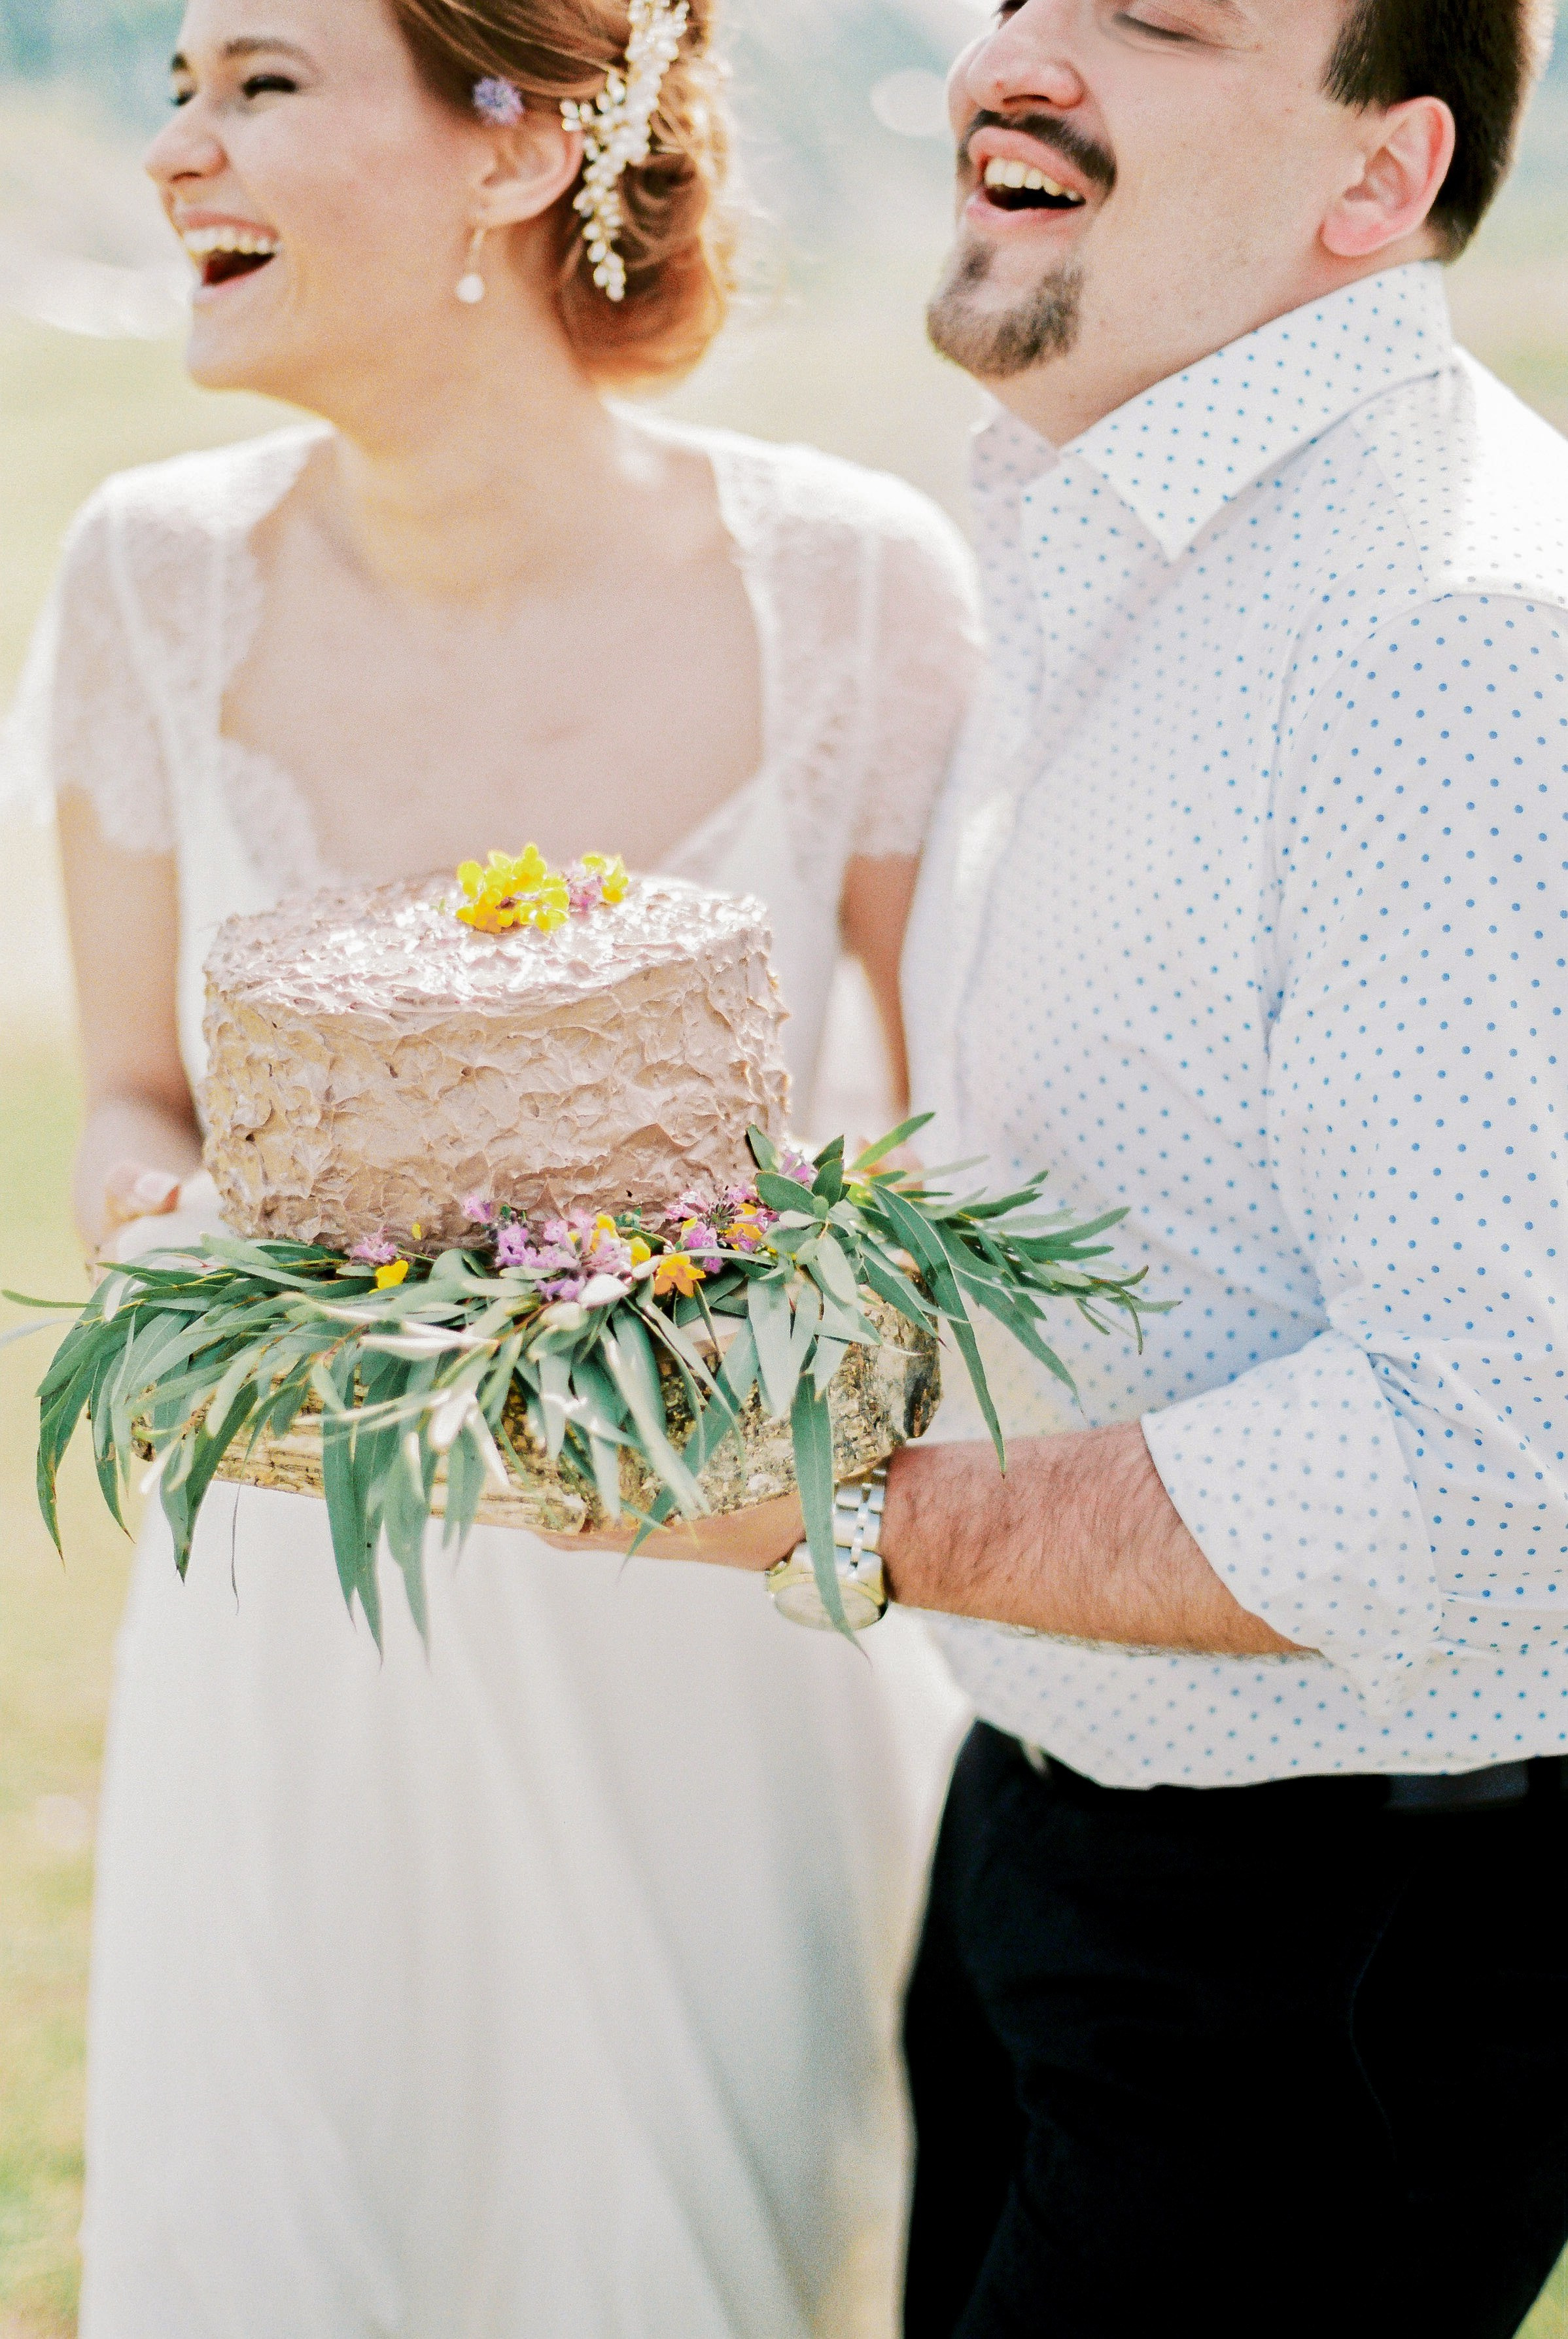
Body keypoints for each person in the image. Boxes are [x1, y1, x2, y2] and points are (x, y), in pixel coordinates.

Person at [0, 0, 981, 2329]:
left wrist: (753, 1368)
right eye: (175, 88)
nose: (177, 153)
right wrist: (173, 1245)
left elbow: (951, 1159)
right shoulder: (146, 580)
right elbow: (133, 1093)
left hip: (710, 1617)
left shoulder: (857, 589)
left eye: (260, 84)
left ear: (511, 152)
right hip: (301, 1611)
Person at [676, 1, 1568, 2332]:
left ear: (1377, 181)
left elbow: (1500, 1468)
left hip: (1335, 1947)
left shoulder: (1453, 636)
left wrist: (841, 1499)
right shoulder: (1123, 540)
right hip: (1058, 1818)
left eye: (1154, 15)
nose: (1020, 54)